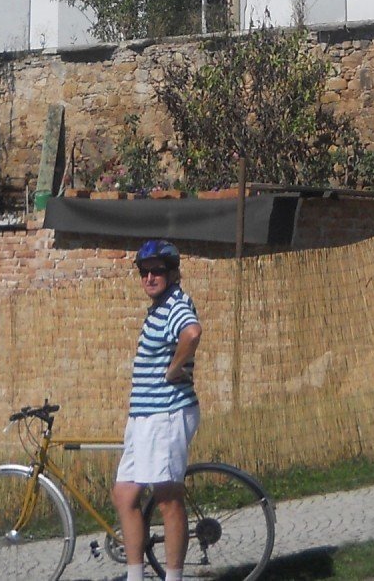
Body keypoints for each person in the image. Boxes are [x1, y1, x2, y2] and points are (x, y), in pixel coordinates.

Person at [113, 238, 202, 581]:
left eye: (157, 272)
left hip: (166, 414)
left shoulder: (176, 304)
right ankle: (136, 577)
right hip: (144, 417)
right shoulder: (159, 307)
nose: (149, 277)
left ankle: (173, 578)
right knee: (125, 493)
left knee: (167, 498)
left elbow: (192, 333)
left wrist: (175, 369)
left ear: (172, 273)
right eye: (144, 272)